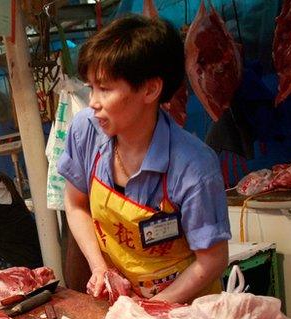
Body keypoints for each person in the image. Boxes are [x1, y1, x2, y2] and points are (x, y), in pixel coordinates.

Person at [60, 15, 230, 303]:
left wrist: (151, 311)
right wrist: (99, 267)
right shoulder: (85, 130)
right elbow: (75, 203)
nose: (93, 102)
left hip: (184, 309)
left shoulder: (195, 166)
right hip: (122, 302)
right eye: (91, 87)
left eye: (105, 88)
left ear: (150, 89)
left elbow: (212, 260)